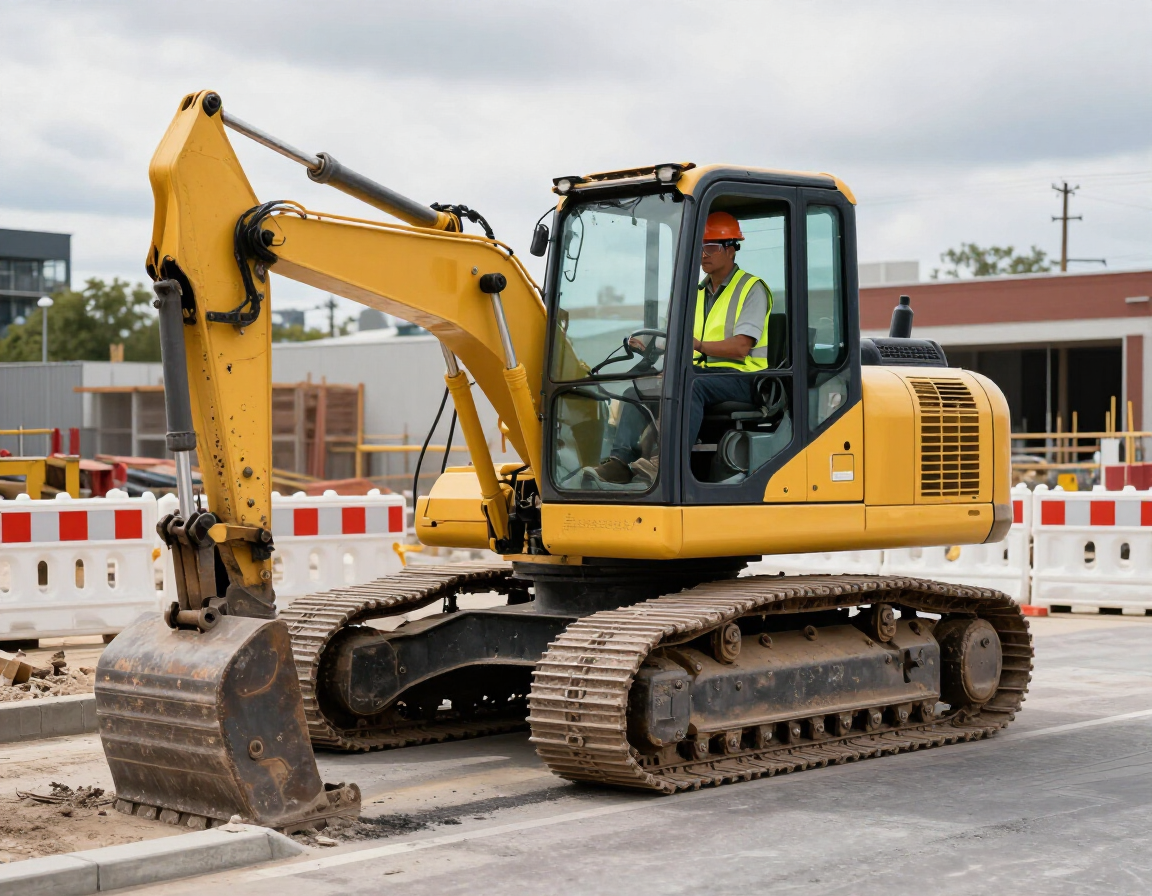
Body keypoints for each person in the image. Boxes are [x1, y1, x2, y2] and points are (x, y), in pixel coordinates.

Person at [590, 211, 772, 485]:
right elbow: (670, 338)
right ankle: (619, 462)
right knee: (636, 391)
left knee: (689, 385)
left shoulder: (751, 289)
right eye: (699, 247)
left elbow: (741, 348)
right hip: (700, 373)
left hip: (744, 378)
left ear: (732, 249)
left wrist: (696, 346)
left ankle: (664, 465)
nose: (703, 254)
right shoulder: (693, 293)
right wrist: (649, 346)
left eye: (710, 247)